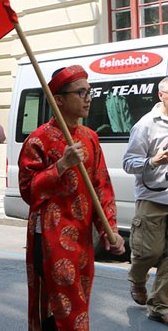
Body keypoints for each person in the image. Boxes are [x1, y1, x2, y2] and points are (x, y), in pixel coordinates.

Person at [19, 65, 125, 330]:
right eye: (81, 92)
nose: (88, 98)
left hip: (82, 239)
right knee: (61, 308)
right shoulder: (38, 140)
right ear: (59, 99)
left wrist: (109, 231)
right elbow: (29, 192)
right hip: (50, 239)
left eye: (89, 92)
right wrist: (61, 165)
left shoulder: (90, 138)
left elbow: (101, 188)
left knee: (78, 301)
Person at [123, 76, 168, 323]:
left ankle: (160, 306)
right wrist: (153, 161)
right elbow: (128, 163)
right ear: (161, 95)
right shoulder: (146, 125)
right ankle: (137, 278)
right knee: (148, 252)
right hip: (153, 197)